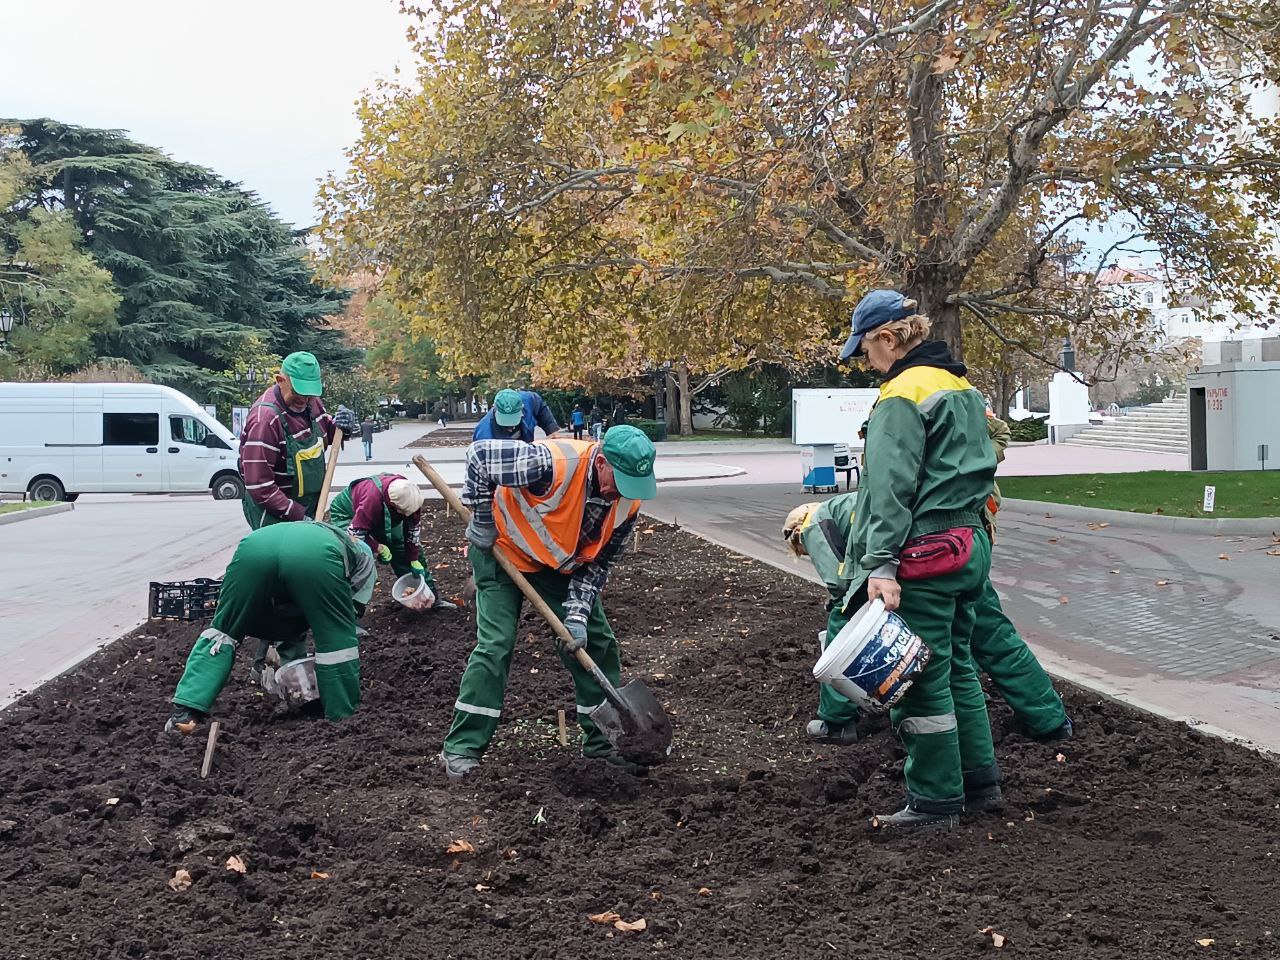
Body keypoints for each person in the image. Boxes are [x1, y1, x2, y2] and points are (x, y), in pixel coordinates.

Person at [836, 289, 998, 829]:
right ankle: (979, 783)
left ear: (888, 337)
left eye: (866, 350)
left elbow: (887, 487)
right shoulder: (960, 386)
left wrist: (879, 564)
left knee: (919, 679)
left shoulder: (901, 395)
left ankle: (934, 803)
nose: (866, 362)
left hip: (924, 555)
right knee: (958, 670)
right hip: (968, 548)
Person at [438, 425, 659, 779]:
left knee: (598, 644)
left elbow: (597, 566)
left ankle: (603, 746)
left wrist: (576, 615)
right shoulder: (549, 464)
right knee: (496, 644)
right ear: (601, 462)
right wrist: (481, 517)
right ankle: (461, 748)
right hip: (502, 552)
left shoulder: (628, 501)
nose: (622, 493)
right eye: (619, 481)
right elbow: (479, 457)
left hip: (559, 566)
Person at [164, 521, 376, 732]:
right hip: (315, 557)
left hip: (254, 548)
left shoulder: (327, 534)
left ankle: (185, 712)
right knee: (336, 640)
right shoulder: (362, 559)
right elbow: (344, 614)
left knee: (224, 629)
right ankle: (342, 716)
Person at [977, 411, 1072, 742]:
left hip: (952, 536)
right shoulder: (940, 391)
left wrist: (976, 463)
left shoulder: (928, 394)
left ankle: (1044, 720)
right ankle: (1046, 719)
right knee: (985, 631)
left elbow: (1000, 433)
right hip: (956, 536)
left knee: (982, 630)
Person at [237, 351, 356, 528]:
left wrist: (341, 427)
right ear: (280, 380)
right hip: (274, 514)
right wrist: (299, 516)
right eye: (298, 391)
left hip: (311, 507)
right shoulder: (265, 420)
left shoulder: (312, 402)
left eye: (309, 394)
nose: (303, 399)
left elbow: (326, 432)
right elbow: (260, 486)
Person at [782, 494, 862, 745]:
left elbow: (838, 582)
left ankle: (838, 722)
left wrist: (837, 603)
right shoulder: (839, 510)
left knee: (842, 629)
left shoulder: (811, 525)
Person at [327, 473, 457, 610]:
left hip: (381, 513)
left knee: (401, 547)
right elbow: (354, 535)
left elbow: (413, 530)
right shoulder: (372, 501)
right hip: (347, 513)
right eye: (403, 512)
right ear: (393, 505)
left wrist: (413, 558)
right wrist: (378, 547)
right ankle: (351, 614)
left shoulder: (411, 497)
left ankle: (430, 599)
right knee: (358, 558)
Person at [472, 388, 561, 443]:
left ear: (522, 409)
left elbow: (540, 406)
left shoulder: (528, 400)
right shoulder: (484, 436)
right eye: (505, 423)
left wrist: (551, 430)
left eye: (512, 422)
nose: (510, 428)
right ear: (495, 410)